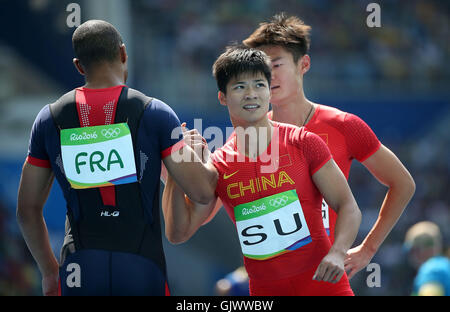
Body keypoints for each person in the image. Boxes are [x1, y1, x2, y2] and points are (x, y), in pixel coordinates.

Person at [202, 13, 416, 280]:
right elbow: (204, 208)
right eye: (261, 70)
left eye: (276, 65)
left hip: (327, 276)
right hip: (273, 281)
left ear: (304, 64)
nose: (268, 76)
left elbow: (403, 183)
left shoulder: (343, 125)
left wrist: (367, 248)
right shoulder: (243, 140)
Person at [16, 20, 217, 296]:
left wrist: (51, 272)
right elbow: (203, 192)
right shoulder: (155, 112)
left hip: (79, 268)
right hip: (141, 267)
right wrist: (201, 156)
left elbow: (27, 210)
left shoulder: (49, 119)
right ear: (123, 53)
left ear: (79, 65)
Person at [163, 46, 362, 296]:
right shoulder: (218, 166)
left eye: (259, 85)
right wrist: (176, 163)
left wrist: (338, 252)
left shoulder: (303, 142)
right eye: (239, 87)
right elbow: (179, 232)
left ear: (269, 92)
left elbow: (348, 206)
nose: (251, 94)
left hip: (325, 289)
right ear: (222, 97)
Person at [405, 221, 450, 296]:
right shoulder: (445, 265)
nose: (411, 256)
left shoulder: (432, 270)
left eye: (412, 250)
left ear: (420, 250)